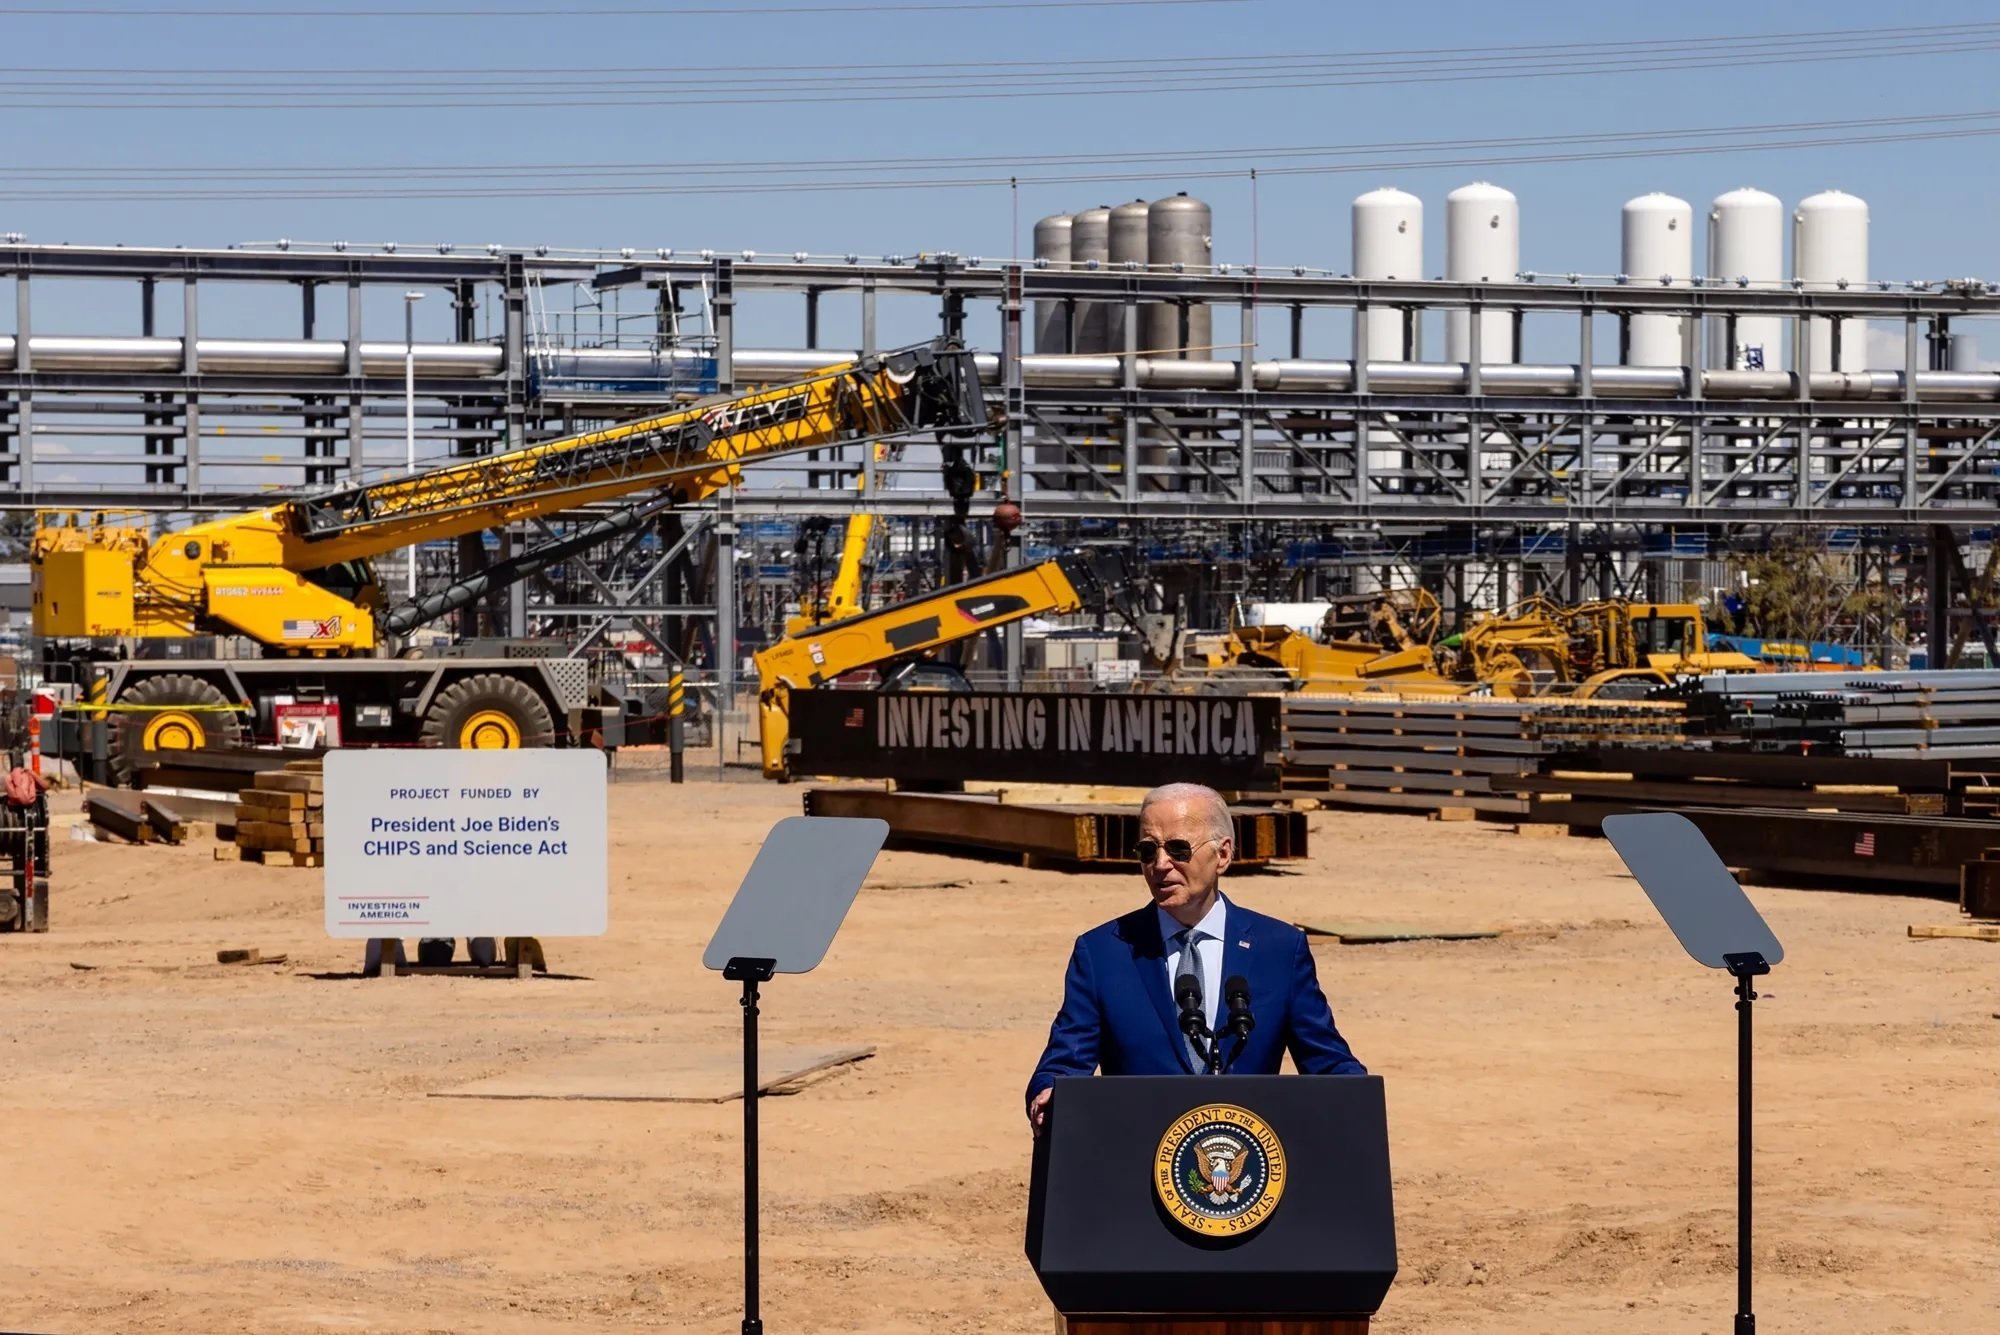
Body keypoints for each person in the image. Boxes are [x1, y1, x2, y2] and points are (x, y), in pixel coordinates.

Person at [1026, 782, 1365, 1133]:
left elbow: (1326, 1061)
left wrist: (1358, 1094)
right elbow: (1065, 1058)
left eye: (1178, 849)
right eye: (1147, 850)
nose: (1160, 865)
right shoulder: (1102, 952)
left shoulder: (1279, 949)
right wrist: (1048, 1090)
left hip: (1252, 1169)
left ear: (1223, 855)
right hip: (1137, 1160)